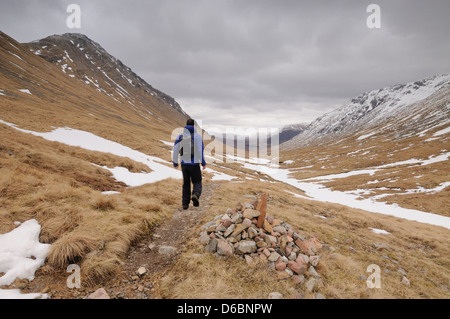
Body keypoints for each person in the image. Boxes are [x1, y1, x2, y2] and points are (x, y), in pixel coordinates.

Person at [172, 119, 206, 210]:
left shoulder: (180, 136)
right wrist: (203, 162)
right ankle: (195, 195)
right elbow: (200, 151)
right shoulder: (197, 137)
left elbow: (175, 149)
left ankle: (185, 204)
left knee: (186, 183)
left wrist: (175, 162)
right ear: (194, 126)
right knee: (197, 181)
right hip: (194, 164)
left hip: (184, 164)